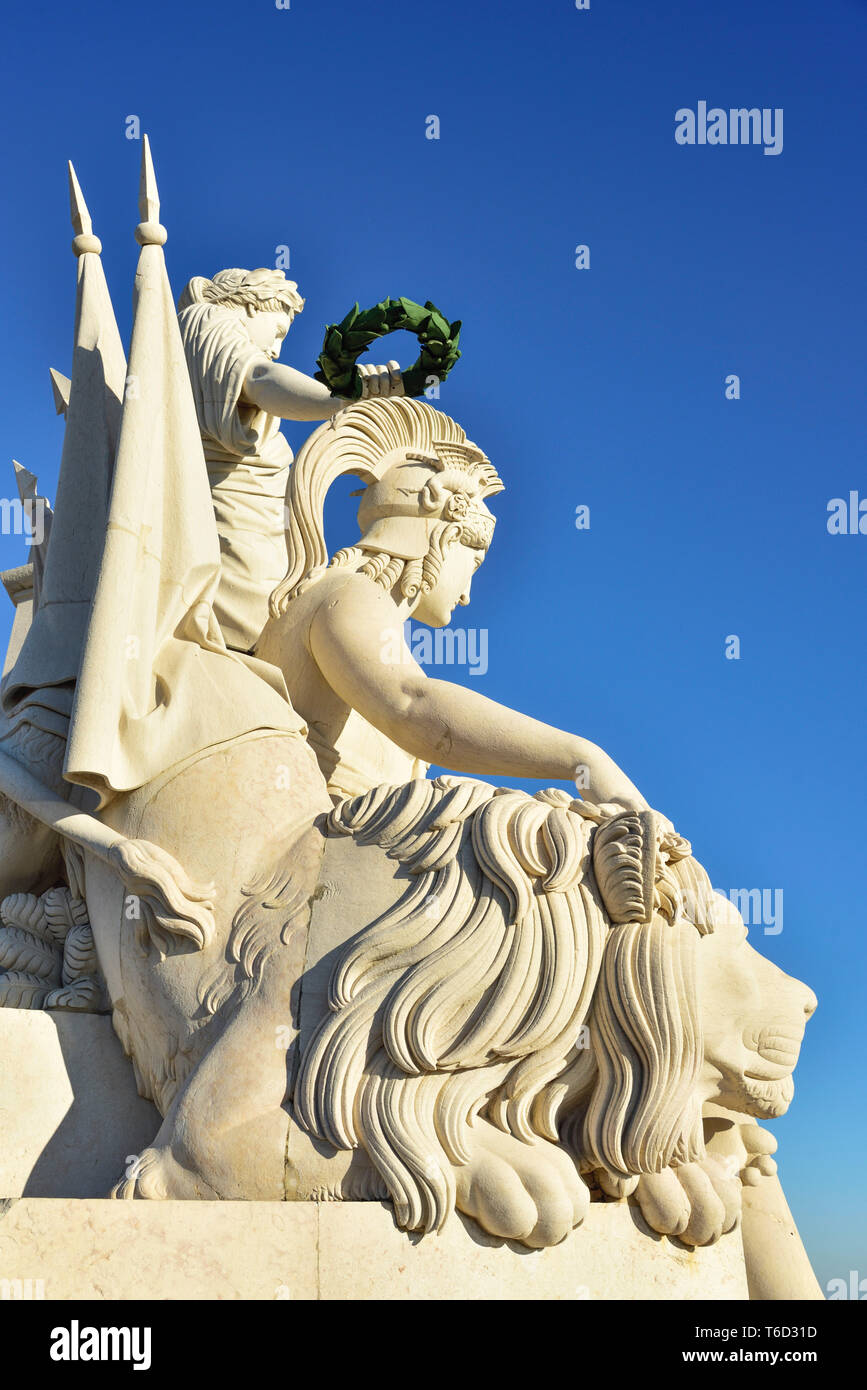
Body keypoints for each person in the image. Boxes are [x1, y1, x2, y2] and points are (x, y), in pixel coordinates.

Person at [256, 396, 647, 810]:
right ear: (439, 533)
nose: (466, 594)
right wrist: (580, 757)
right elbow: (412, 708)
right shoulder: (348, 593)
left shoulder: (365, 615)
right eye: (474, 562)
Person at [178, 268, 404, 652]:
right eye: (278, 330)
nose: (278, 347)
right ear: (250, 306)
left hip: (254, 540)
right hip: (230, 548)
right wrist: (345, 395)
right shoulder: (208, 320)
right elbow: (261, 378)